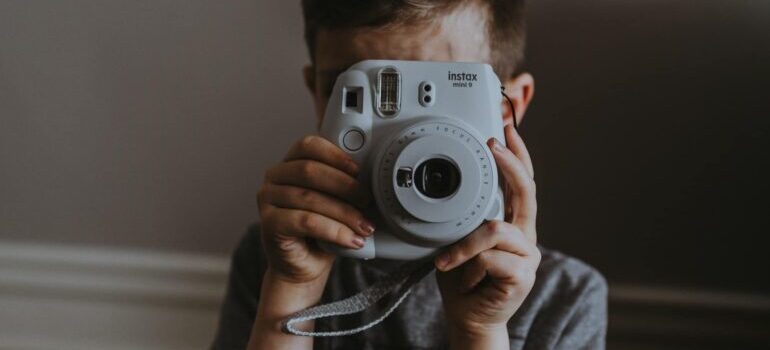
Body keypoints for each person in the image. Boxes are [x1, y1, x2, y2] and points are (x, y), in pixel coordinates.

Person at [212, 1, 607, 349]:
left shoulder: (565, 297)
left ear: (507, 108)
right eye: (356, 88)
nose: (402, 137)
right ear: (319, 92)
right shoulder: (275, 258)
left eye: (429, 90)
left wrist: (481, 331)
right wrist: (291, 291)